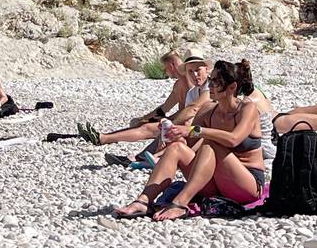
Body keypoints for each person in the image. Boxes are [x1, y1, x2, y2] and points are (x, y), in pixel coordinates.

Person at [114, 58, 264, 221]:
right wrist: (173, 136)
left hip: (246, 184)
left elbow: (233, 139)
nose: (210, 85)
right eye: (210, 79)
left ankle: (180, 203)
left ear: (232, 87)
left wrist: (195, 130)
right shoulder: (208, 110)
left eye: (216, 81)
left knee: (210, 144)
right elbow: (189, 146)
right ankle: (143, 201)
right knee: (177, 148)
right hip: (215, 182)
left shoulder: (247, 109)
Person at [77, 54, 211, 154]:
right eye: (190, 71)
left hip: (196, 129)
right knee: (147, 126)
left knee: (150, 128)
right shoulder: (191, 89)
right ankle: (105, 137)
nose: (194, 75)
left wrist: (166, 122)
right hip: (186, 125)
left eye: (165, 69)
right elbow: (165, 110)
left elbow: (191, 110)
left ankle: (106, 139)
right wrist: (147, 119)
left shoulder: (205, 87)